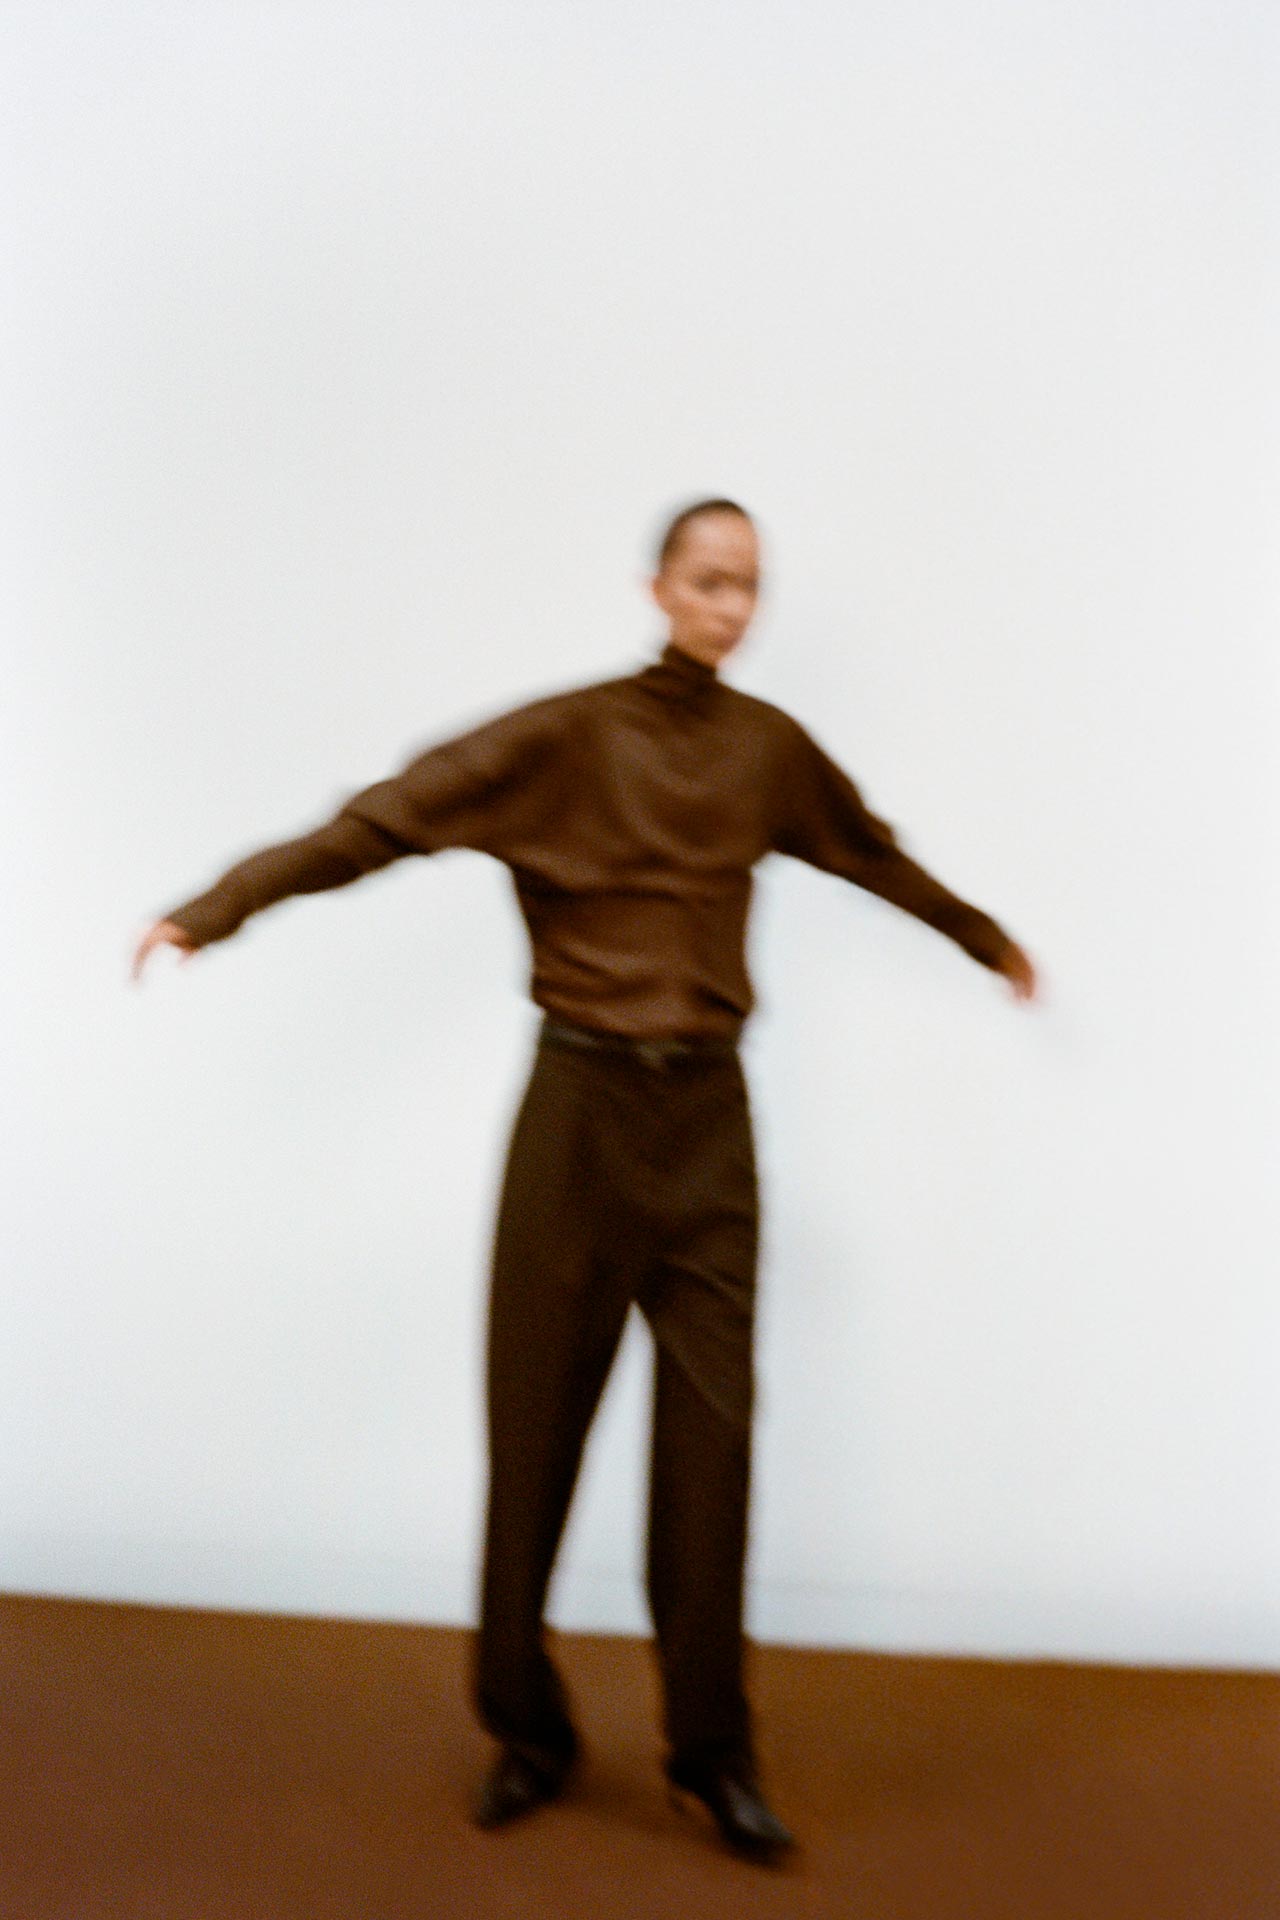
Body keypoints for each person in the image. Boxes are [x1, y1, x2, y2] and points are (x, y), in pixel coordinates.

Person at [133, 498, 1038, 1866]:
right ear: (657, 586)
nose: (731, 607)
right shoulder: (563, 737)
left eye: (749, 586)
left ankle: (713, 1757)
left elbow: (868, 852)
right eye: (708, 580)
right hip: (579, 1116)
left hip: (710, 1126)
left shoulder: (768, 751)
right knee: (534, 1434)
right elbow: (385, 821)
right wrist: (220, 905)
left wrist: (982, 937)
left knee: (713, 1452)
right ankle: (528, 1731)